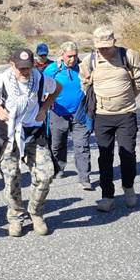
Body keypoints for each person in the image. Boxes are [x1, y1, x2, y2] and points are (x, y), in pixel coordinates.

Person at [0, 49, 61, 237]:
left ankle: (36, 212)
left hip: (33, 133)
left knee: (46, 174)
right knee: (11, 177)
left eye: (28, 68)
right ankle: (16, 217)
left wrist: (45, 107)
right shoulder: (2, 79)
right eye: (21, 68)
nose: (25, 72)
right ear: (12, 65)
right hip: (9, 135)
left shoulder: (40, 78)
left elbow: (57, 88)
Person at [79, 27, 140, 212]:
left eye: (107, 47)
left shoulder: (129, 55)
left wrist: (128, 96)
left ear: (114, 42)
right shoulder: (89, 61)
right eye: (100, 48)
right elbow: (84, 83)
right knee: (104, 157)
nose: (104, 51)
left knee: (128, 154)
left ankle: (128, 188)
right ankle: (107, 196)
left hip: (126, 114)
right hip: (102, 117)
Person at [44, 41, 93, 190]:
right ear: (62, 55)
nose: (72, 59)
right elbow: (42, 88)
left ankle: (84, 177)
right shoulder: (52, 70)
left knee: (82, 145)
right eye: (69, 56)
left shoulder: (82, 68)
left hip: (80, 113)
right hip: (58, 113)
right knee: (57, 144)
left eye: (75, 56)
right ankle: (58, 168)